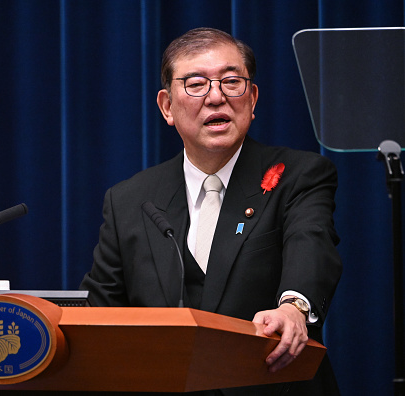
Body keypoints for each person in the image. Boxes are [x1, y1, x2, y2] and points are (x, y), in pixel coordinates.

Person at [80, 27, 342, 396]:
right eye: (196, 84)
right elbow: (99, 314)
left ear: (252, 99)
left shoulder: (300, 175)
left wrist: (293, 308)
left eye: (231, 81)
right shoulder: (129, 200)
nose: (216, 97)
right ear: (167, 106)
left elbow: (311, 244)